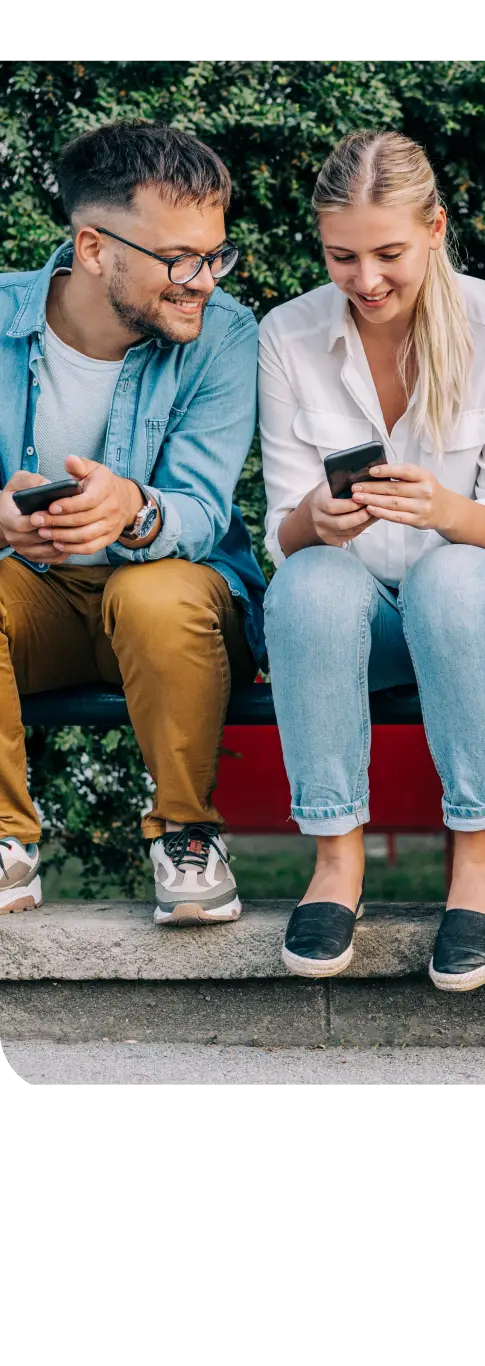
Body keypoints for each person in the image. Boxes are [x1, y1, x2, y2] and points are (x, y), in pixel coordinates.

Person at [259, 130, 485, 989]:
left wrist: (449, 513)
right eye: (342, 257)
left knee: (450, 573)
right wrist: (316, 520)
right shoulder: (289, 333)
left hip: (477, 616)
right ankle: (336, 862)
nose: (366, 280)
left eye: (388, 252)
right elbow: (282, 528)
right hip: (356, 618)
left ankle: (480, 863)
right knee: (309, 578)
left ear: (435, 228)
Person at [0, 120, 267, 924]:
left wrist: (134, 510)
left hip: (170, 601)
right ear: (92, 248)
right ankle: (7, 843)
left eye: (215, 254)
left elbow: (201, 505)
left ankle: (188, 834)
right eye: (179, 259)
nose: (204, 280)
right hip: (37, 598)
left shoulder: (225, 337)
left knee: (155, 597)